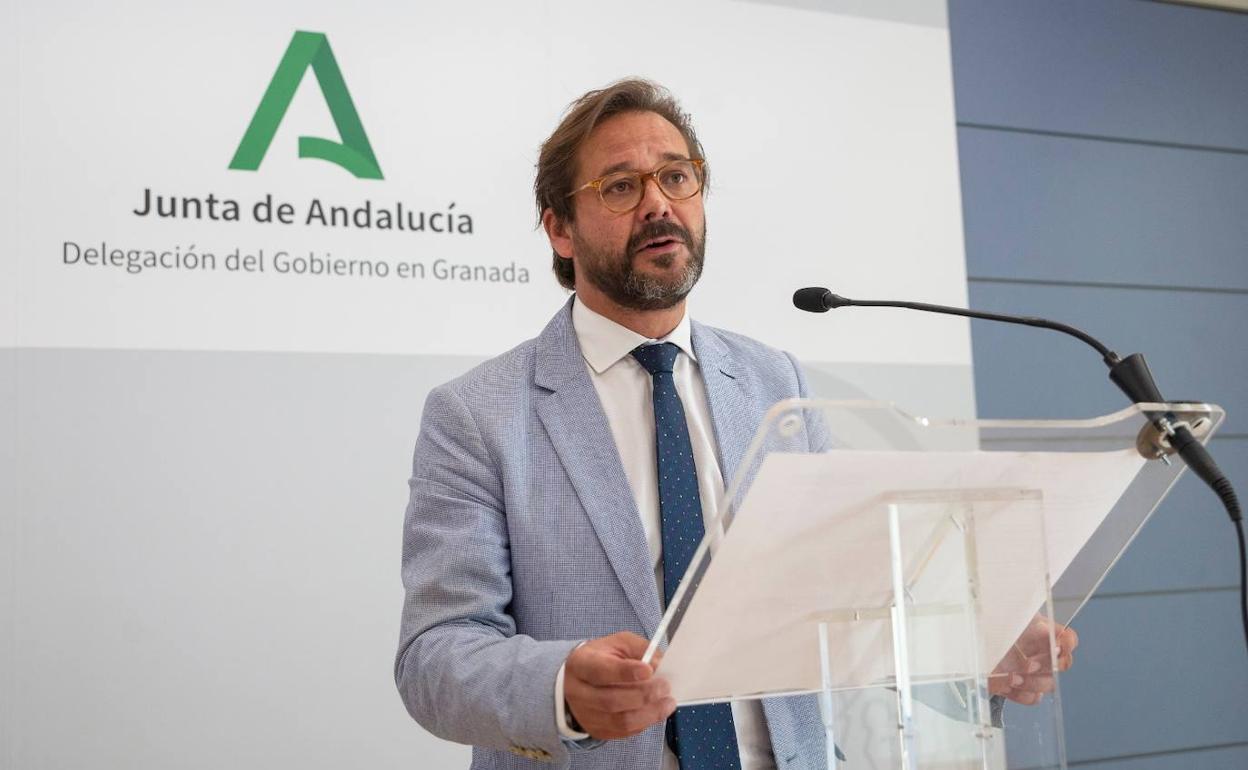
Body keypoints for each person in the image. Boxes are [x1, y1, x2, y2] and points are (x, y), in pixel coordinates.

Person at [394, 78, 1076, 769]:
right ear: (560, 229)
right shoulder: (478, 416)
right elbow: (436, 655)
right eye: (620, 188)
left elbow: (847, 613)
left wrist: (967, 656)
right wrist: (561, 687)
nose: (659, 203)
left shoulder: (776, 385)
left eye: (676, 176)